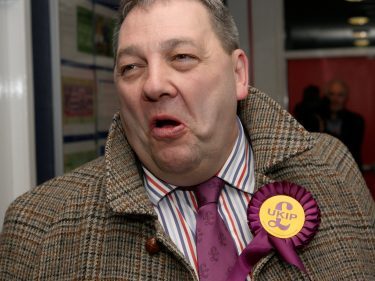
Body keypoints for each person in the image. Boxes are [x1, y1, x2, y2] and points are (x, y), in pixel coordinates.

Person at [0, 1, 374, 280]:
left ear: (238, 73)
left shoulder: (331, 168)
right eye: (131, 67)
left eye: (181, 57)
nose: (154, 84)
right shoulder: (39, 227)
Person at [323, 79, 365, 168]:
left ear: (346, 97)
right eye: (331, 94)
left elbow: (349, 148)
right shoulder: (319, 118)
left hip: (349, 172)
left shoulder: (356, 120)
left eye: (340, 95)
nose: (335, 99)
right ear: (326, 96)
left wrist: (323, 129)